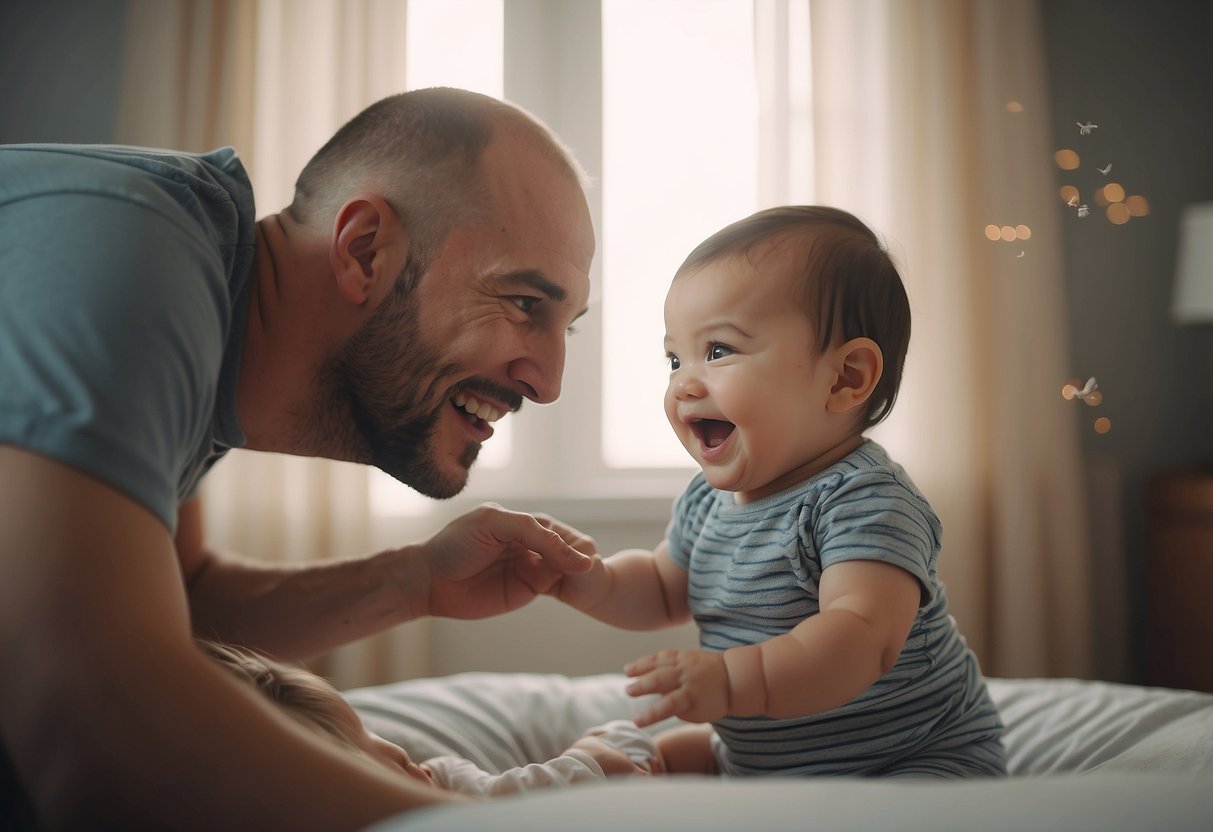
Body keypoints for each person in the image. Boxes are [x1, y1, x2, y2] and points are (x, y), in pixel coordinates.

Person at [0, 86, 601, 830]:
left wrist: (412, 582)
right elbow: (88, 721)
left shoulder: (199, 319)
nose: (547, 383)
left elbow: (179, 607)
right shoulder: (131, 257)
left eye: (564, 328)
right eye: (522, 304)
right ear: (363, 250)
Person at [552, 206, 1007, 778]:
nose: (685, 382)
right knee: (657, 757)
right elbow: (664, 588)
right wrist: (584, 578)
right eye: (675, 358)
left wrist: (733, 681)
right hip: (763, 761)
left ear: (844, 378)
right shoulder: (707, 502)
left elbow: (861, 638)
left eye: (718, 351)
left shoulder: (864, 501)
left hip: (905, 763)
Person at [199, 639, 662, 796]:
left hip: (637, 755)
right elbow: (512, 805)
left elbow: (507, 790)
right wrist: (596, 752)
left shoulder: (438, 774)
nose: (393, 747)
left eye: (368, 729)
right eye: (360, 746)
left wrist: (602, 748)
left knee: (687, 746)